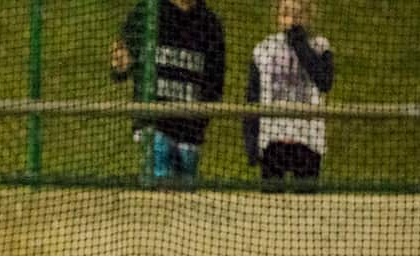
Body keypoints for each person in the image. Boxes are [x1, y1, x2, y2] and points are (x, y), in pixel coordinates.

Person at [111, 0, 225, 181]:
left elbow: (215, 80)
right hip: (155, 124)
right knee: (161, 183)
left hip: (190, 129)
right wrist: (120, 66)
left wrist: (200, 120)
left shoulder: (209, 22)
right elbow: (123, 64)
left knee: (185, 191)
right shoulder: (148, 12)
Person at [243, 0, 334, 190]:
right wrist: (251, 141)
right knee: (270, 206)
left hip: (308, 141)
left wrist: (299, 43)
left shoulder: (320, 46)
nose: (291, 20)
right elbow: (252, 99)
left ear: (308, 16)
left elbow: (324, 82)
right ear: (277, 16)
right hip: (273, 141)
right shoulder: (263, 49)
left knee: (306, 207)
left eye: (298, 15)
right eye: (286, 13)